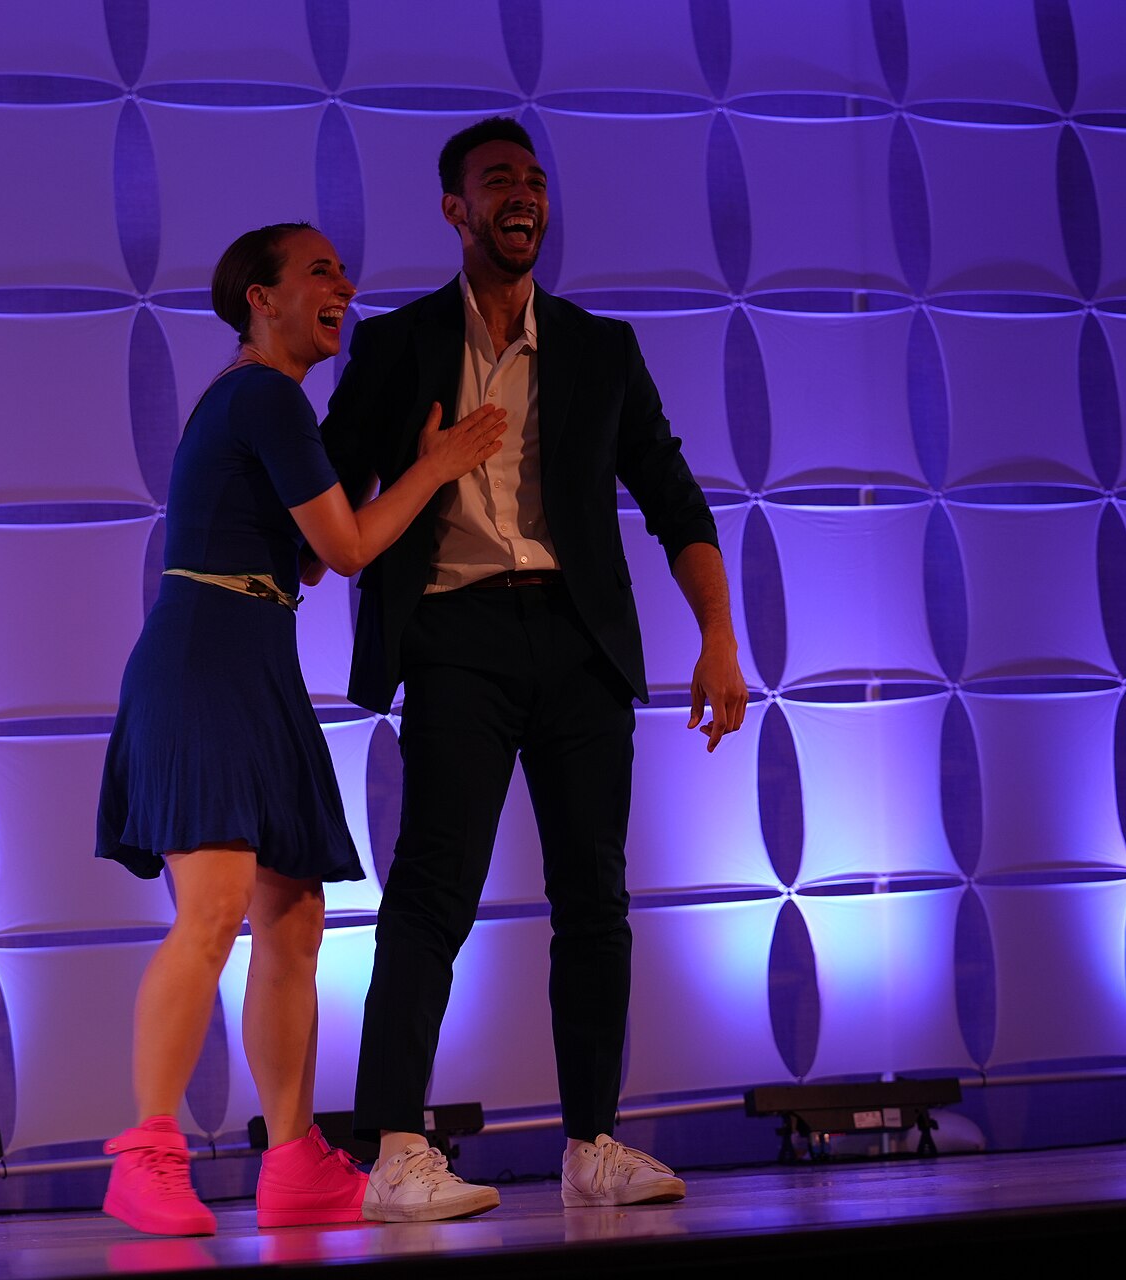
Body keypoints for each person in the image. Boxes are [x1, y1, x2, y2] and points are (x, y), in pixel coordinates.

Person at [318, 118, 749, 1222]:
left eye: (535, 181)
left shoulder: (600, 348)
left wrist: (718, 636)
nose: (523, 195)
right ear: (456, 210)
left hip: (578, 637)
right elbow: (326, 495)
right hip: (456, 634)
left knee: (595, 899)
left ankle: (589, 1141)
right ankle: (398, 1150)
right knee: (431, 889)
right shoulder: (402, 345)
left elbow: (675, 500)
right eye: (497, 181)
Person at [94, 222, 508, 1236]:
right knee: (218, 905)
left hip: (253, 652)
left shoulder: (273, 409)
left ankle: (291, 1159)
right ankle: (147, 1148)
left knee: (294, 916)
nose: (344, 283)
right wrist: (442, 463)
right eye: (319, 269)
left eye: (341, 269)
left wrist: (397, 473)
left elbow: (313, 557)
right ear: (260, 299)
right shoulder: (263, 393)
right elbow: (351, 547)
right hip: (208, 657)